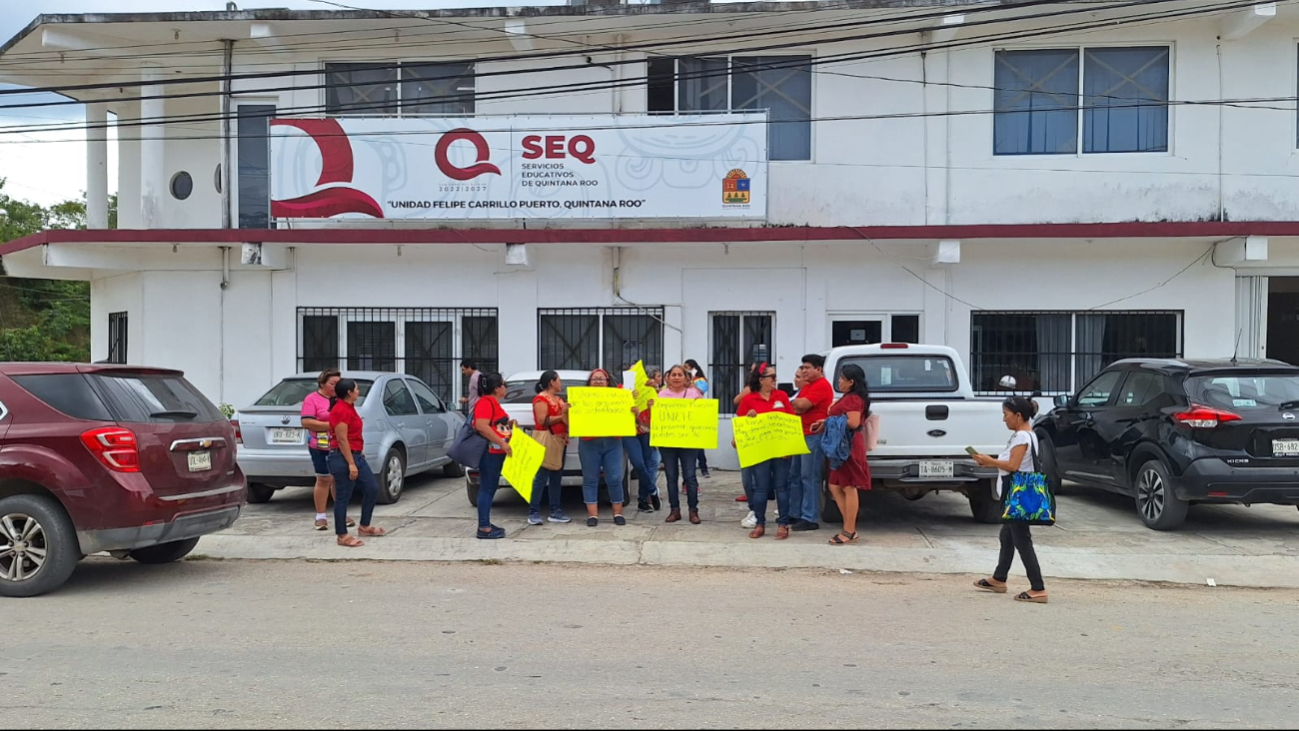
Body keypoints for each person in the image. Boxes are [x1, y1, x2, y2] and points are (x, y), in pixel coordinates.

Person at [971, 396, 1049, 604]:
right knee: (1007, 536)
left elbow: (1014, 465)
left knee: (1022, 540)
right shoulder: (1026, 435)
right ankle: (999, 578)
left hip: (1017, 495)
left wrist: (989, 461)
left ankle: (1038, 588)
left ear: (1018, 415)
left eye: (1006, 415)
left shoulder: (1022, 437)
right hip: (1017, 495)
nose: (1004, 419)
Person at [811, 363, 872, 545]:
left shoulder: (853, 399)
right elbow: (842, 419)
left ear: (851, 381)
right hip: (841, 447)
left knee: (847, 486)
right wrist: (826, 421)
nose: (839, 381)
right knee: (834, 485)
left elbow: (852, 422)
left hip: (847, 447)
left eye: (842, 378)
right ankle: (849, 525)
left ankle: (849, 529)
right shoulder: (849, 397)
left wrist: (829, 422)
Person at [736, 361, 793, 539]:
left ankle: (783, 524)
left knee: (781, 488)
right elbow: (741, 426)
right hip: (759, 450)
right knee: (760, 488)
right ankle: (760, 523)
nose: (775, 380)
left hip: (780, 449)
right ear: (761, 380)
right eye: (772, 377)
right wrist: (749, 418)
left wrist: (789, 447)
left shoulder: (782, 396)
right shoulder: (748, 400)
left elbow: (791, 421)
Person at [327, 378, 387, 548]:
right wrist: (351, 463)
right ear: (349, 392)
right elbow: (341, 439)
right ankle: (342, 535)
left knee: (372, 488)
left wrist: (358, 452)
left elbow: (352, 435)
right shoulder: (340, 410)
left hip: (356, 455)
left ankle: (365, 526)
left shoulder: (350, 408)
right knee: (343, 497)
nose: (358, 392)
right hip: (342, 457)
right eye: (357, 389)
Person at [302, 368, 353, 532]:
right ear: (322, 383)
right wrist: (332, 426)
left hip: (338, 446)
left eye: (338, 383)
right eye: (333, 383)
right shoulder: (312, 399)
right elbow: (307, 422)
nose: (336, 386)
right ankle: (321, 516)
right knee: (324, 479)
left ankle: (341, 513)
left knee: (340, 479)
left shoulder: (341, 399)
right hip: (320, 446)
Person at [789, 354, 834, 531]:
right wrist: (796, 403)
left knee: (810, 477)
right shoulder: (808, 386)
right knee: (796, 476)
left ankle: (810, 517)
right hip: (801, 435)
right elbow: (796, 404)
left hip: (813, 436)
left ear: (818, 369)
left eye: (807, 368)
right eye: (803, 368)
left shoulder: (821, 386)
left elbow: (800, 406)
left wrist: (795, 403)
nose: (804, 371)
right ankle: (795, 513)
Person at [578, 369, 627, 527]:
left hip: (613, 441)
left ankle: (618, 513)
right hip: (589, 442)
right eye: (595, 379)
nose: (598, 381)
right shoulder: (580, 399)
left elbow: (630, 417)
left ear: (608, 382)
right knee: (590, 478)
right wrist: (567, 411)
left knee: (614, 477)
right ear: (589, 382)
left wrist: (632, 410)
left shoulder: (618, 397)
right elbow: (570, 421)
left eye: (602, 379)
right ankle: (593, 515)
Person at [658, 365, 705, 524]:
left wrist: (701, 406)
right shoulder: (662, 395)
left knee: (690, 476)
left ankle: (693, 511)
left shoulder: (694, 393)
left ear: (686, 378)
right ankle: (674, 510)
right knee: (671, 477)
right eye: (673, 375)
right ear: (668, 378)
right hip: (668, 442)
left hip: (689, 441)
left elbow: (702, 415)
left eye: (680, 375)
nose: (677, 377)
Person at [472, 372, 513, 539]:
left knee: (490, 487)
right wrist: (502, 442)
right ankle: (483, 527)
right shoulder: (485, 402)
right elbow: (482, 426)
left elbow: (495, 424)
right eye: (504, 384)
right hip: (489, 452)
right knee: (487, 488)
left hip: (496, 452)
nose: (505, 388)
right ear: (497, 388)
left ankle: (486, 523)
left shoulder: (493, 403)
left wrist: (509, 425)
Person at [529, 371, 573, 526]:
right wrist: (562, 415)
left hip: (559, 441)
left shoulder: (559, 399)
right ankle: (534, 511)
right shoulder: (541, 399)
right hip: (547, 440)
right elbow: (542, 420)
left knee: (556, 477)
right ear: (552, 382)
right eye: (559, 380)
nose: (561, 383)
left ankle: (555, 510)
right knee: (541, 476)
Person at [684, 359, 712, 478]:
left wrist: (692, 383)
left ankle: (703, 467)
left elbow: (701, 391)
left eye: (686, 367)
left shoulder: (700, 380)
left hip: (697, 411)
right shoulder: (684, 380)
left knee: (699, 443)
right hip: (687, 412)